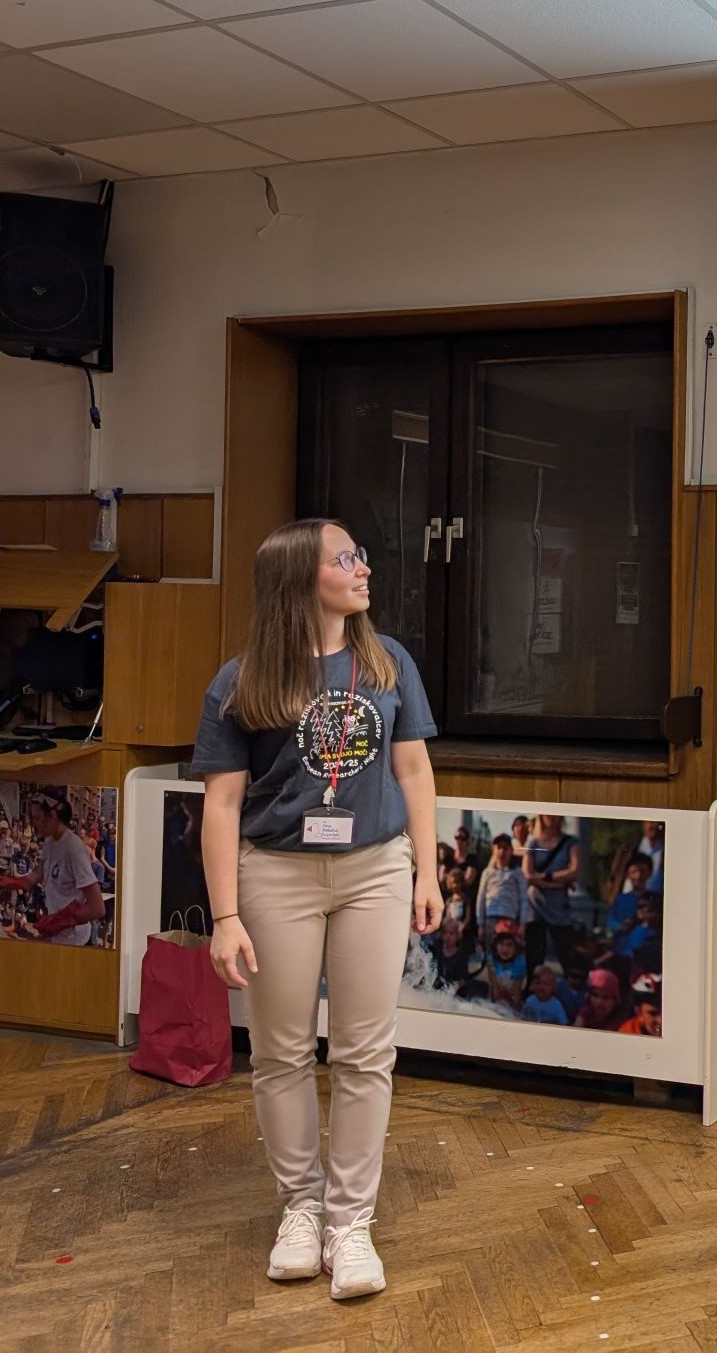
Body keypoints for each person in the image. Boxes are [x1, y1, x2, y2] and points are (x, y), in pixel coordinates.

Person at [192, 518, 441, 1302]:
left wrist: (426, 872)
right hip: (277, 876)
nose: (363, 566)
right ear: (303, 578)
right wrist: (226, 914)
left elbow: (416, 772)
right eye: (345, 557)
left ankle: (350, 1223)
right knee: (281, 1051)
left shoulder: (387, 661)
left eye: (360, 553)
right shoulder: (240, 681)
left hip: (374, 871)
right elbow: (223, 805)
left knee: (366, 1051)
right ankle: (300, 1209)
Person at [0, 793, 106, 945]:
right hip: (57, 936)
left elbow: (97, 908)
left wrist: (60, 921)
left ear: (52, 816)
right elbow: (38, 874)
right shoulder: (49, 841)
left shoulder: (74, 849)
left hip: (75, 940)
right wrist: (13, 882)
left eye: (37, 818)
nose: (33, 823)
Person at [523, 814, 583, 969]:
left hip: (559, 907)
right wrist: (560, 882)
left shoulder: (571, 842)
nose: (552, 816)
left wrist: (544, 877)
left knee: (567, 956)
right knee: (534, 958)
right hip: (535, 905)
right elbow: (528, 875)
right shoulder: (532, 842)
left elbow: (575, 872)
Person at [476, 833, 527, 931]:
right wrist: (480, 924)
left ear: (511, 851)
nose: (502, 851)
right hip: (490, 917)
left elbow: (523, 899)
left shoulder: (517, 872)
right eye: (498, 848)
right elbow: (481, 898)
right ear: (493, 850)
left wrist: (522, 924)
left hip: (510, 918)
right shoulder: (487, 873)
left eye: (505, 848)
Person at [605, 856, 653, 936]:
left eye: (642, 871)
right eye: (634, 872)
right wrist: (621, 926)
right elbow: (611, 921)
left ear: (650, 873)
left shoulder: (654, 898)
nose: (638, 876)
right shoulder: (620, 899)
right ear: (627, 874)